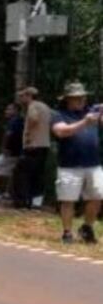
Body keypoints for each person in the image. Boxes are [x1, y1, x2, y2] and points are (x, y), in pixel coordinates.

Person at [50, 82, 103, 244]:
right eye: (76, 98)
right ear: (67, 99)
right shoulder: (59, 114)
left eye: (82, 97)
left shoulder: (92, 112)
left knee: (98, 196)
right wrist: (84, 123)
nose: (80, 100)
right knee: (68, 200)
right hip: (69, 165)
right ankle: (67, 232)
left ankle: (87, 227)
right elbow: (61, 131)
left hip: (93, 163)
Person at [15, 86, 52, 208]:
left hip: (33, 144)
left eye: (23, 96)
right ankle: (37, 201)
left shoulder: (33, 106)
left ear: (29, 96)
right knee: (38, 174)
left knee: (23, 172)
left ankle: (23, 200)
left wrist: (28, 135)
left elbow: (33, 119)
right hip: (44, 144)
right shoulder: (46, 107)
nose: (21, 99)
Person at [0, 102, 24, 202]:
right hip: (17, 151)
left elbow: (8, 135)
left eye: (9, 109)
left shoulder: (14, 121)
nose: (6, 111)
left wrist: (4, 147)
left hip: (10, 151)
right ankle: (6, 193)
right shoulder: (20, 121)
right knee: (9, 173)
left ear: (16, 111)